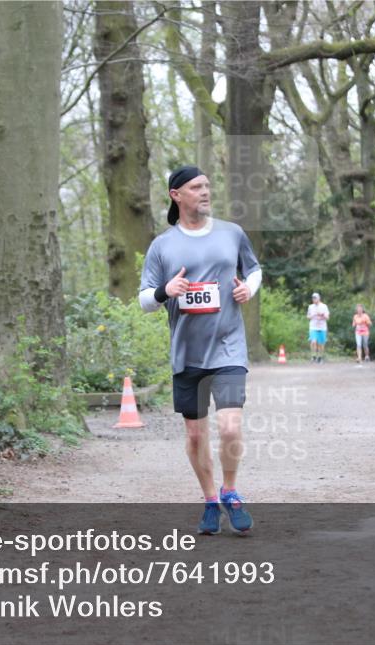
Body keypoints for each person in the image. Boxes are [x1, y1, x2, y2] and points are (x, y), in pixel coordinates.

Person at [138, 165, 262, 535]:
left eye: (207, 186)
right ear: (177, 194)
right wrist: (166, 292)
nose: (205, 192)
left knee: (229, 428)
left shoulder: (232, 234)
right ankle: (210, 500)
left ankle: (231, 491)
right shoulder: (162, 245)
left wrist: (248, 290)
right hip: (187, 353)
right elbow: (145, 299)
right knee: (195, 436)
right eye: (196, 187)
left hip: (228, 347)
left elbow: (254, 271)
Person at [306, 292, 329, 363]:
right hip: (313, 326)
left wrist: (322, 315)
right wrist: (312, 316)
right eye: (313, 298)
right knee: (313, 341)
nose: (314, 299)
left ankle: (320, 357)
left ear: (319, 298)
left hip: (322, 327)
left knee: (321, 343)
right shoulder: (310, 306)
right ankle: (313, 356)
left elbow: (327, 317)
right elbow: (308, 317)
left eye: (315, 298)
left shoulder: (324, 306)